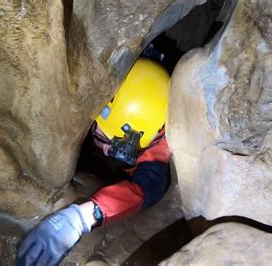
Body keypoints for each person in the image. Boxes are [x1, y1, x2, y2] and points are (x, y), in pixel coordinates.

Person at [17, 58, 171, 266]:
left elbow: (146, 189)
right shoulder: (141, 101)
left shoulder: (157, 143)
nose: (94, 131)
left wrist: (84, 216)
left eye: (104, 138)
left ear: (129, 143)